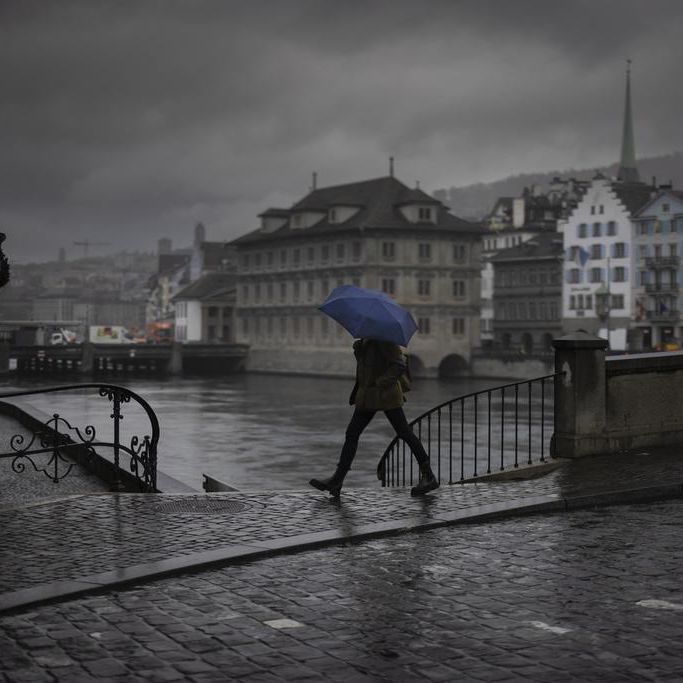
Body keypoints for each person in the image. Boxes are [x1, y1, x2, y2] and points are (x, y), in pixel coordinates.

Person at [310, 338, 439, 498]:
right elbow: (367, 368)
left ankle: (429, 476)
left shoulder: (384, 340)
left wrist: (380, 383)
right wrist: (358, 350)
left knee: (404, 432)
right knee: (352, 433)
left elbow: (399, 364)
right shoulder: (367, 341)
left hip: (386, 395)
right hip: (368, 396)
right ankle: (337, 479)